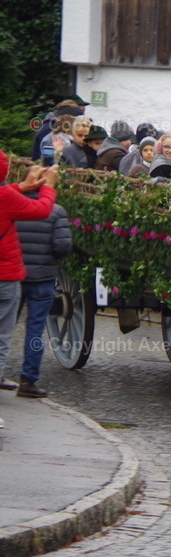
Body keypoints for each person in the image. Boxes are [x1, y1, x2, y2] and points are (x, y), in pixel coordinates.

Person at [0, 151, 60, 424]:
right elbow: (41, 210)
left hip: (16, 274)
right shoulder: (7, 199)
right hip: (10, 275)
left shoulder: (8, 196)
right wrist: (48, 186)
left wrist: (23, 186)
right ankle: (28, 378)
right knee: (4, 336)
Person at [15, 191, 72, 397]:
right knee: (35, 330)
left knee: (4, 327)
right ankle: (28, 380)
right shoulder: (56, 211)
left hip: (15, 276)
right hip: (43, 277)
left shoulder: (14, 207)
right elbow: (63, 246)